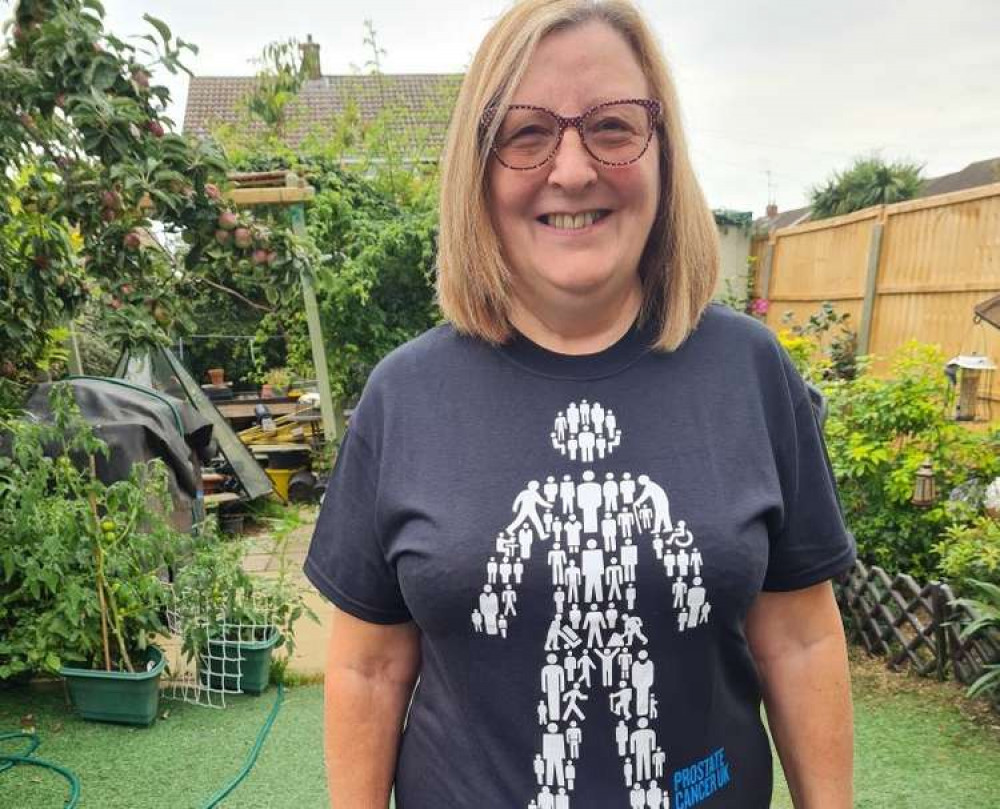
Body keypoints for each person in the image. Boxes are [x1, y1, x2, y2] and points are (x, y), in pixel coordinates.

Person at [304, 1, 855, 807]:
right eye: (527, 133)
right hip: (561, 650)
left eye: (613, 126)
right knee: (563, 711)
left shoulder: (750, 371)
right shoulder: (406, 395)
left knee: (637, 715)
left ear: (662, 149)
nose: (571, 170)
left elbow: (801, 638)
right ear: (479, 167)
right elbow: (369, 664)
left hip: (680, 744)